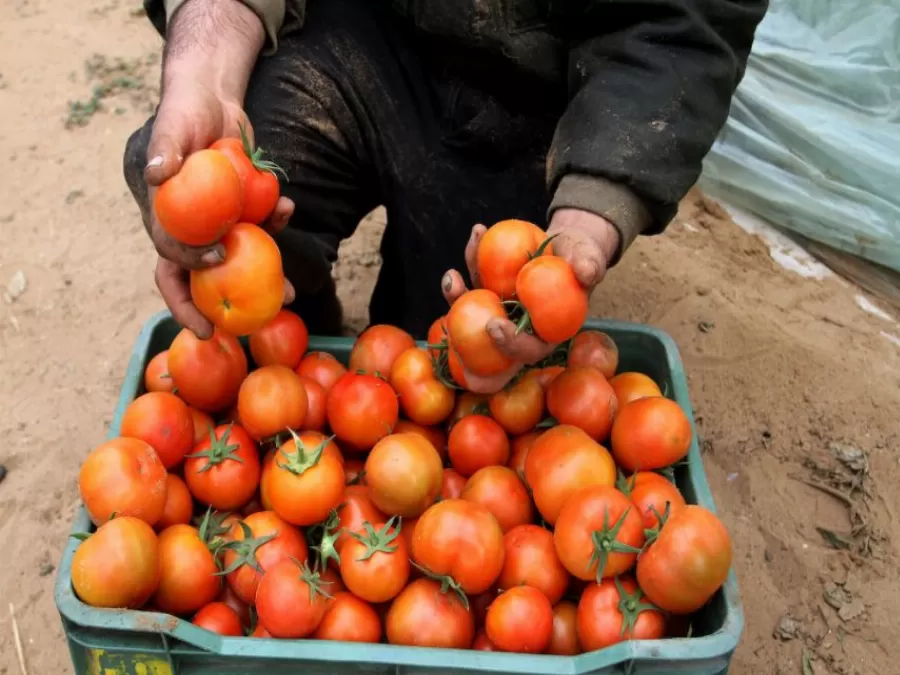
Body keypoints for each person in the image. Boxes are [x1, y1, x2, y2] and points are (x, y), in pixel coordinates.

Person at [124, 0, 766, 390]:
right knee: (244, 229)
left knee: (450, 363)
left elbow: (686, 21)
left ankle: (304, 354)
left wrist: (596, 202)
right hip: (359, 26)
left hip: (537, 83)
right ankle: (294, 327)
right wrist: (205, 70)